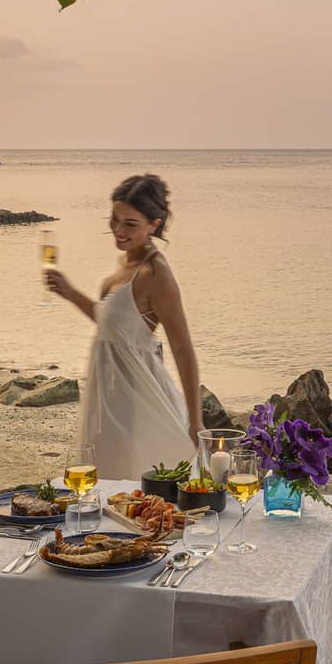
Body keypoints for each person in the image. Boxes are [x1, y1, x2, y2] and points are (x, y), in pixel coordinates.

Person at [46, 174, 205, 480]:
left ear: (154, 225)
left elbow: (183, 348)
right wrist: (69, 292)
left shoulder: (156, 273)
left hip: (137, 398)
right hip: (108, 393)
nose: (118, 230)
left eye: (130, 224)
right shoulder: (125, 263)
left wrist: (195, 422)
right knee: (106, 486)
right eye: (114, 219)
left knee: (132, 487)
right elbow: (114, 326)